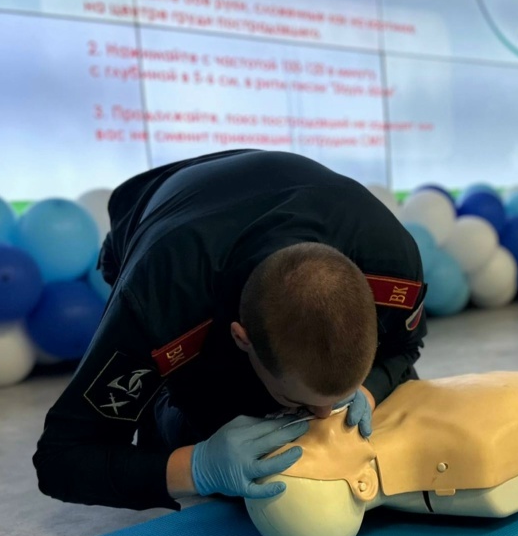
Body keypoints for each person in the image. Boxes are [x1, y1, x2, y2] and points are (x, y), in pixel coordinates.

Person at [32, 150, 427, 512]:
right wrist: (197, 467)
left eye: (334, 400)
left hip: (278, 191)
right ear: (242, 338)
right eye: (300, 399)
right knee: (209, 425)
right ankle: (164, 412)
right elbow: (61, 458)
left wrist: (367, 390)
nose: (325, 417)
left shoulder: (391, 258)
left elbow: (406, 346)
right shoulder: (158, 299)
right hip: (158, 215)